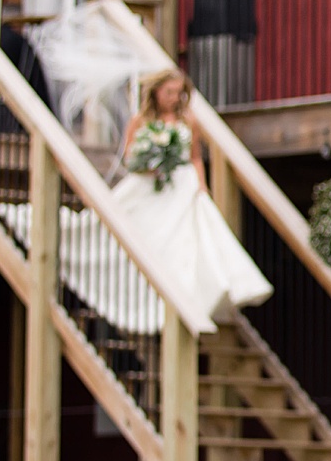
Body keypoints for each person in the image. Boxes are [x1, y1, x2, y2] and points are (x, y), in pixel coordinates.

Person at [112, 69, 273, 323]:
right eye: (169, 92)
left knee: (187, 240)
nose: (175, 98)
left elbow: (196, 156)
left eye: (179, 93)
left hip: (181, 183)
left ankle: (189, 296)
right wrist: (150, 162)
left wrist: (201, 185)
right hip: (151, 182)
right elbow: (129, 157)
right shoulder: (140, 120)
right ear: (156, 91)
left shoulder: (188, 119)